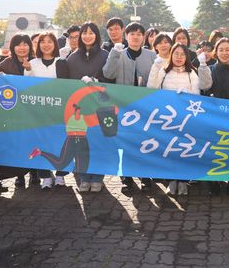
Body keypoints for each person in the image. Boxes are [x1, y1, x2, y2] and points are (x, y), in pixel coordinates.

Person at [103, 22, 157, 193]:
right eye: (132, 34)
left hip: (145, 107)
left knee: (144, 140)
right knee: (126, 142)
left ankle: (145, 175)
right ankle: (126, 177)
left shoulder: (151, 55)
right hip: (123, 107)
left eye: (139, 34)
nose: (135, 37)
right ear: (126, 36)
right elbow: (108, 74)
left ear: (143, 37)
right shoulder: (118, 53)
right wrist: (114, 54)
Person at [63, 22, 111, 191]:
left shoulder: (106, 55)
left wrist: (98, 83)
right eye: (84, 33)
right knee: (81, 143)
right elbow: (67, 83)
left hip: (101, 106)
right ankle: (83, 177)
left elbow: (111, 79)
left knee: (99, 143)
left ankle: (98, 178)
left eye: (91, 33)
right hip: (79, 108)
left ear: (97, 36)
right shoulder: (73, 57)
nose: (87, 35)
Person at [147, 43, 200, 196]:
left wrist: (187, 95)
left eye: (182, 54)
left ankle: (183, 181)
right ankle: (171, 181)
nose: (179, 57)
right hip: (167, 118)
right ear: (171, 55)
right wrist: (155, 68)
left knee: (183, 150)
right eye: (176, 53)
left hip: (185, 120)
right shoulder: (164, 71)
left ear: (186, 57)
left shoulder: (192, 73)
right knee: (169, 150)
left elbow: (197, 96)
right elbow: (152, 88)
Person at [0, 33, 38, 188]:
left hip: (33, 109)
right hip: (14, 111)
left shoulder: (36, 62)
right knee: (18, 142)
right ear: (13, 47)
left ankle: (35, 172)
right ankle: (20, 175)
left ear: (30, 46)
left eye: (25, 44)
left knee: (33, 140)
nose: (22, 48)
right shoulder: (7, 62)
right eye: (18, 44)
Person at [198, 38, 229, 196]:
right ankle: (213, 181)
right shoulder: (209, 69)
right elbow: (204, 86)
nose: (225, 53)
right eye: (221, 50)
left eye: (228, 50)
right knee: (213, 149)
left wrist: (226, 106)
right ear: (216, 52)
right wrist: (203, 65)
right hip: (212, 117)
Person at [24, 32, 68, 189]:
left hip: (59, 110)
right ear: (38, 45)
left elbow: (66, 85)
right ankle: (45, 176)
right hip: (39, 111)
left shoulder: (61, 62)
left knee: (60, 142)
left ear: (55, 44)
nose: (46, 44)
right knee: (41, 142)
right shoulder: (32, 63)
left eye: (50, 41)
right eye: (42, 42)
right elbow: (26, 85)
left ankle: (61, 176)